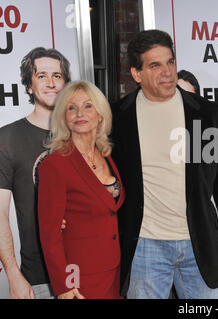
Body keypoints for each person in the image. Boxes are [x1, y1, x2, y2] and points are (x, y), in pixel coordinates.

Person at [111, 29, 218, 299]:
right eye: (155, 65)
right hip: (144, 247)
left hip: (197, 244)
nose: (167, 72)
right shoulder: (117, 118)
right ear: (137, 74)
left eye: (170, 62)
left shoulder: (206, 114)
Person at [37, 80, 124, 299]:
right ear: (63, 117)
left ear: (100, 114)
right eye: (71, 108)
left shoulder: (107, 156)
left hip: (114, 270)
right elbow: (50, 235)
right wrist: (65, 286)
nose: (79, 113)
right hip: (79, 276)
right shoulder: (55, 165)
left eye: (87, 106)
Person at [0, 47, 70, 299]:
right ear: (29, 86)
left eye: (58, 76)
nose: (51, 83)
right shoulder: (8, 138)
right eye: (41, 76)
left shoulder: (84, 134)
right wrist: (13, 274)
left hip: (89, 272)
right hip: (39, 279)